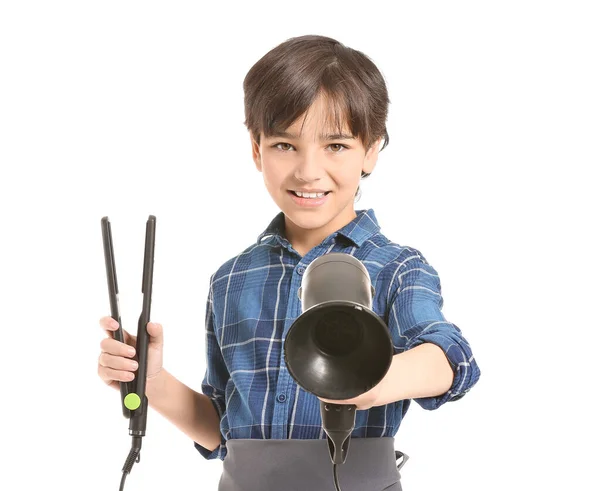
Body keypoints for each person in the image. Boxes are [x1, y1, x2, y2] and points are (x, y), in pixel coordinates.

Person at [97, 34, 480, 491]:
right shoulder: (232, 279)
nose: (308, 170)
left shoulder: (396, 267)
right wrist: (153, 381)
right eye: (285, 145)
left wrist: (378, 380)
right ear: (256, 149)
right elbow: (221, 430)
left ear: (372, 150)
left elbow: (452, 360)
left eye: (336, 145)